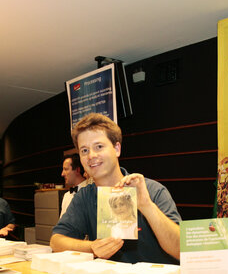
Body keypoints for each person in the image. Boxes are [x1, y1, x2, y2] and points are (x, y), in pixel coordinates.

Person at [51, 113, 181, 264]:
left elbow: (180, 250)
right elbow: (56, 242)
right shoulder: (85, 197)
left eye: (99, 146)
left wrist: (146, 205)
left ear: (117, 149)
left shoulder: (152, 190)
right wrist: (92, 247)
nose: (91, 155)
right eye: (84, 150)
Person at [59, 152, 91, 217]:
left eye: (66, 169)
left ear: (77, 170)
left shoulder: (90, 193)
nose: (62, 174)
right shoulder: (66, 196)